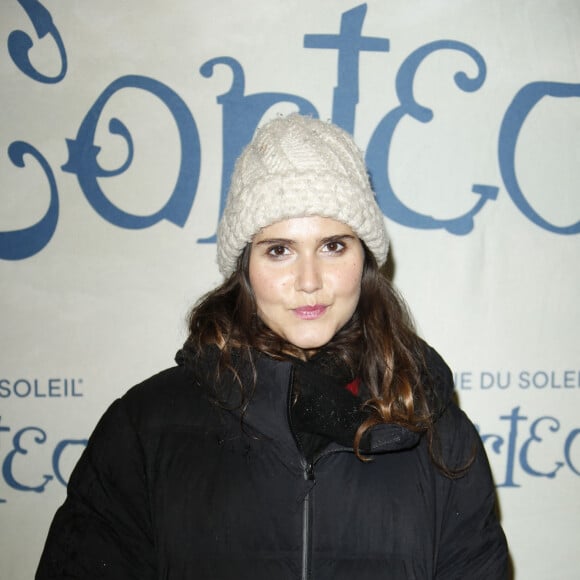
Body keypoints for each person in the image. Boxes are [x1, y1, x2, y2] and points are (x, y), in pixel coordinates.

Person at [36, 114, 508, 579]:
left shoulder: (437, 430)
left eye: (334, 246)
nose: (309, 281)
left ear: (365, 257)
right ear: (244, 268)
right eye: (279, 250)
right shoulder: (144, 428)